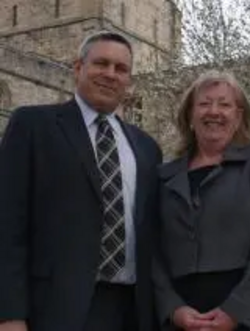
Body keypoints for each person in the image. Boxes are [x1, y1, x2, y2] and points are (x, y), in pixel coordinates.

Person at [0, 31, 162, 331]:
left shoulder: (147, 148)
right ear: (78, 68)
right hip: (55, 308)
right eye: (101, 63)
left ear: (129, 80)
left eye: (121, 69)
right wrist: (9, 314)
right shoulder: (33, 126)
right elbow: (7, 224)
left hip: (132, 309)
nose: (110, 75)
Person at [153, 71, 250, 331]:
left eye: (225, 104)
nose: (213, 112)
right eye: (204, 104)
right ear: (190, 115)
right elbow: (152, 250)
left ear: (238, 117)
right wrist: (173, 308)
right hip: (185, 315)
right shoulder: (162, 176)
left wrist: (234, 311)